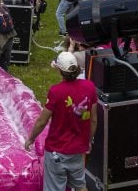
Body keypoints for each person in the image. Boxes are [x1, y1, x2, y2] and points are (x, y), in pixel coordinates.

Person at [24, 52, 97, 191]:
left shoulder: (56, 91)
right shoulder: (90, 87)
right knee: (80, 185)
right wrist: (88, 140)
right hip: (78, 150)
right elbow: (93, 119)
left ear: (60, 70)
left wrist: (31, 139)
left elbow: (41, 121)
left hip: (57, 151)